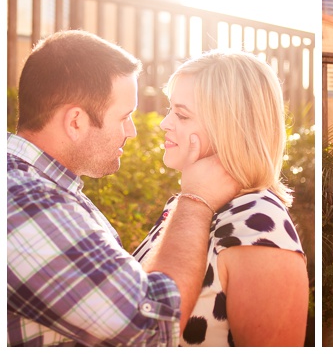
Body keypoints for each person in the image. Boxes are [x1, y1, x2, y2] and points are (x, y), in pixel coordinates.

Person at [8, 30, 240, 346]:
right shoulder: (26, 201)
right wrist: (195, 199)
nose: (132, 130)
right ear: (75, 121)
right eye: (124, 116)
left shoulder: (42, 189)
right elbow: (149, 329)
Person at [130, 50, 309, 346]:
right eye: (170, 109)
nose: (165, 123)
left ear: (230, 127)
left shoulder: (258, 225)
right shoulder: (186, 206)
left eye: (182, 114)